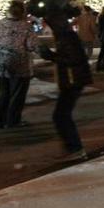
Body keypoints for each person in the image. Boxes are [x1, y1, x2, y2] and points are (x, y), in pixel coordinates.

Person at [39, 12, 92, 161]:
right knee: (62, 115)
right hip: (71, 80)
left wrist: (51, 56)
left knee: (61, 115)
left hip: (73, 80)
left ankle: (75, 148)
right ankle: (73, 147)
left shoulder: (67, 37)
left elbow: (73, 58)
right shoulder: (66, 35)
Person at [0, 1, 38, 129]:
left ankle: (0, 121)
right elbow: (31, 45)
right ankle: (13, 120)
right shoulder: (26, 27)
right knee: (17, 94)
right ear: (23, 12)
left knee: (3, 93)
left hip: (0, 63)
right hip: (20, 63)